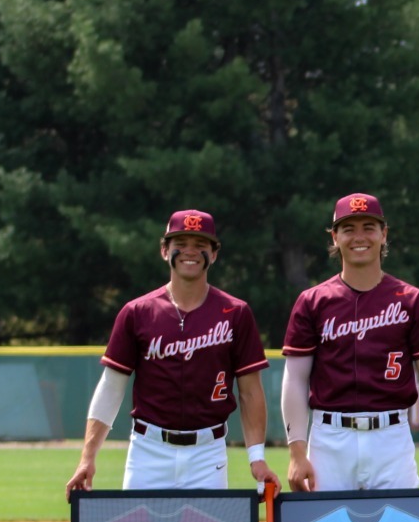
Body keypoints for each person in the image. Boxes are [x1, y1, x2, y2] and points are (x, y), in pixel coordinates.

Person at [66, 210, 274, 493]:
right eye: (181, 243)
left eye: (201, 244)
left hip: (208, 452)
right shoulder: (137, 312)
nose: (191, 251)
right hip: (148, 450)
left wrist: (257, 457)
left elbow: (250, 391)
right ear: (165, 250)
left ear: (214, 253)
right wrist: (87, 458)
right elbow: (111, 388)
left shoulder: (235, 313)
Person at [281, 193, 419, 493]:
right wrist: (296, 453)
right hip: (330, 438)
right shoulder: (313, 301)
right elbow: (295, 379)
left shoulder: (411, 300)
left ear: (384, 234)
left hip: (391, 438)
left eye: (369, 227)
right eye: (348, 228)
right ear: (335, 236)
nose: (360, 236)